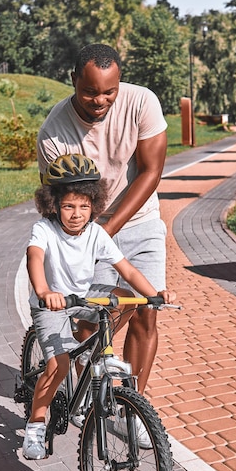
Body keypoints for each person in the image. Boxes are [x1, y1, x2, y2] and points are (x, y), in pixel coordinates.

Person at [37, 43, 168, 397]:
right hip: (86, 232)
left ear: (120, 82)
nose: (100, 100)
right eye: (90, 91)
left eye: (109, 92)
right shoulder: (54, 133)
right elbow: (60, 202)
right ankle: (84, 386)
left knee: (144, 311)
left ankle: (134, 402)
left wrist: (108, 231)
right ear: (73, 80)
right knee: (88, 322)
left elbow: (151, 172)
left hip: (140, 222)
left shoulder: (142, 102)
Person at [23, 153, 174, 460]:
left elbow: (127, 269)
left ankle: (92, 357)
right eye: (68, 206)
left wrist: (154, 294)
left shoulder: (94, 232)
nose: (76, 214)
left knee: (123, 297)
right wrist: (44, 291)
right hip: (53, 304)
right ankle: (36, 426)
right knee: (58, 365)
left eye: (83, 205)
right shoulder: (45, 229)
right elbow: (35, 258)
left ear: (94, 204)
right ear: (53, 204)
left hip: (83, 297)